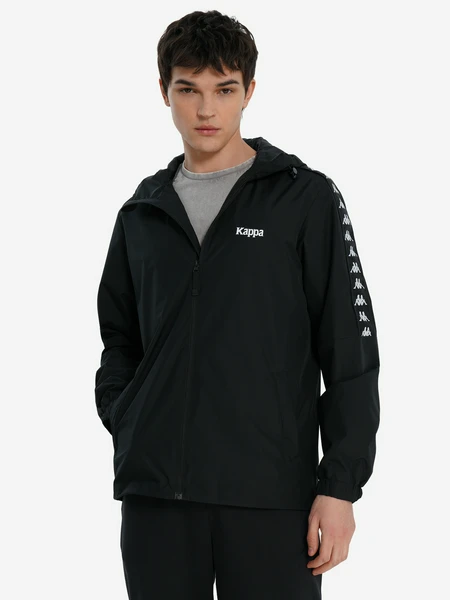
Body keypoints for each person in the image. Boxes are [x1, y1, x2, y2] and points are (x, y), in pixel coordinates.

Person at [94, 9, 381, 600]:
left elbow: (349, 347)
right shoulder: (142, 212)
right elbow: (119, 338)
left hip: (270, 495)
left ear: (249, 91)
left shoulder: (304, 198)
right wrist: (127, 416)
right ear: (163, 91)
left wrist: (340, 485)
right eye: (188, 90)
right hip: (156, 496)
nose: (206, 110)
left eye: (224, 90)